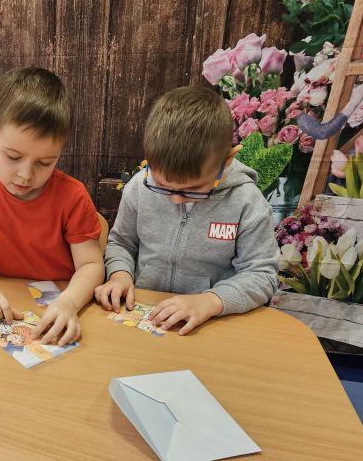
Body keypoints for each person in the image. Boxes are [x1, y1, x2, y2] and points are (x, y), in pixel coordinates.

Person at [95, 85, 279, 335]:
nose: (176, 199)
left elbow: (261, 274)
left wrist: (212, 301)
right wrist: (119, 274)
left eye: (193, 189)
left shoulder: (246, 201)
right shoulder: (139, 187)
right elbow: (121, 243)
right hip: (144, 314)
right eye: (162, 186)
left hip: (211, 325)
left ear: (227, 160)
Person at [0, 67, 104, 346]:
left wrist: (69, 302)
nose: (25, 175)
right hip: (5, 305)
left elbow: (91, 264)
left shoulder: (73, 196)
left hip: (59, 307)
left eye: (45, 162)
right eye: (13, 156)